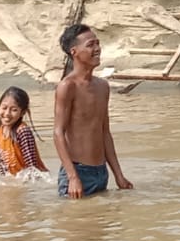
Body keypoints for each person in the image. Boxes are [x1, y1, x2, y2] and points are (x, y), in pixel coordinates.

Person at [53, 24, 134, 198]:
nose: (97, 49)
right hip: (78, 172)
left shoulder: (102, 86)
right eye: (90, 45)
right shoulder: (67, 86)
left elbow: (105, 132)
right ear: (74, 51)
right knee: (76, 222)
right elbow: (58, 133)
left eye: (97, 44)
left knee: (99, 222)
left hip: (100, 172)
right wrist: (72, 177)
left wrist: (118, 175)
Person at [0, 86, 47, 177]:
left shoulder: (22, 131)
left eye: (14, 110)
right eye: (4, 108)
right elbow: (1, 165)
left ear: (22, 112)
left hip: (34, 179)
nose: (7, 113)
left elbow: (32, 167)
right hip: (17, 178)